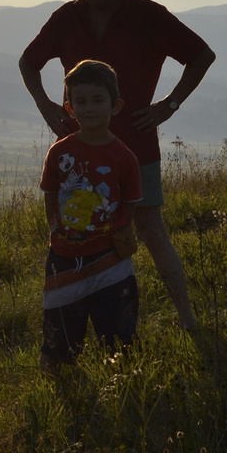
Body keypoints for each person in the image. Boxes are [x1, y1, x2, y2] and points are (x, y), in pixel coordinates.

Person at [19, 0, 216, 332]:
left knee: (151, 231)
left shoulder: (148, 15)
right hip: (76, 152)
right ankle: (86, 327)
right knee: (76, 234)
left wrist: (169, 105)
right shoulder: (67, 17)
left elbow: (201, 55)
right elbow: (28, 61)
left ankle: (188, 320)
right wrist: (46, 106)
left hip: (135, 145)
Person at [38, 59, 143, 373]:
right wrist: (59, 232)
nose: (89, 108)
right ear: (69, 108)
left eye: (98, 100)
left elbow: (131, 202)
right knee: (60, 328)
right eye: (80, 102)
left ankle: (124, 384)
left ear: (115, 106)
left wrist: (120, 234)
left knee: (119, 331)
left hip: (110, 257)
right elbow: (50, 196)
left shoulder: (124, 157)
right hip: (65, 256)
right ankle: (59, 384)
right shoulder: (59, 152)